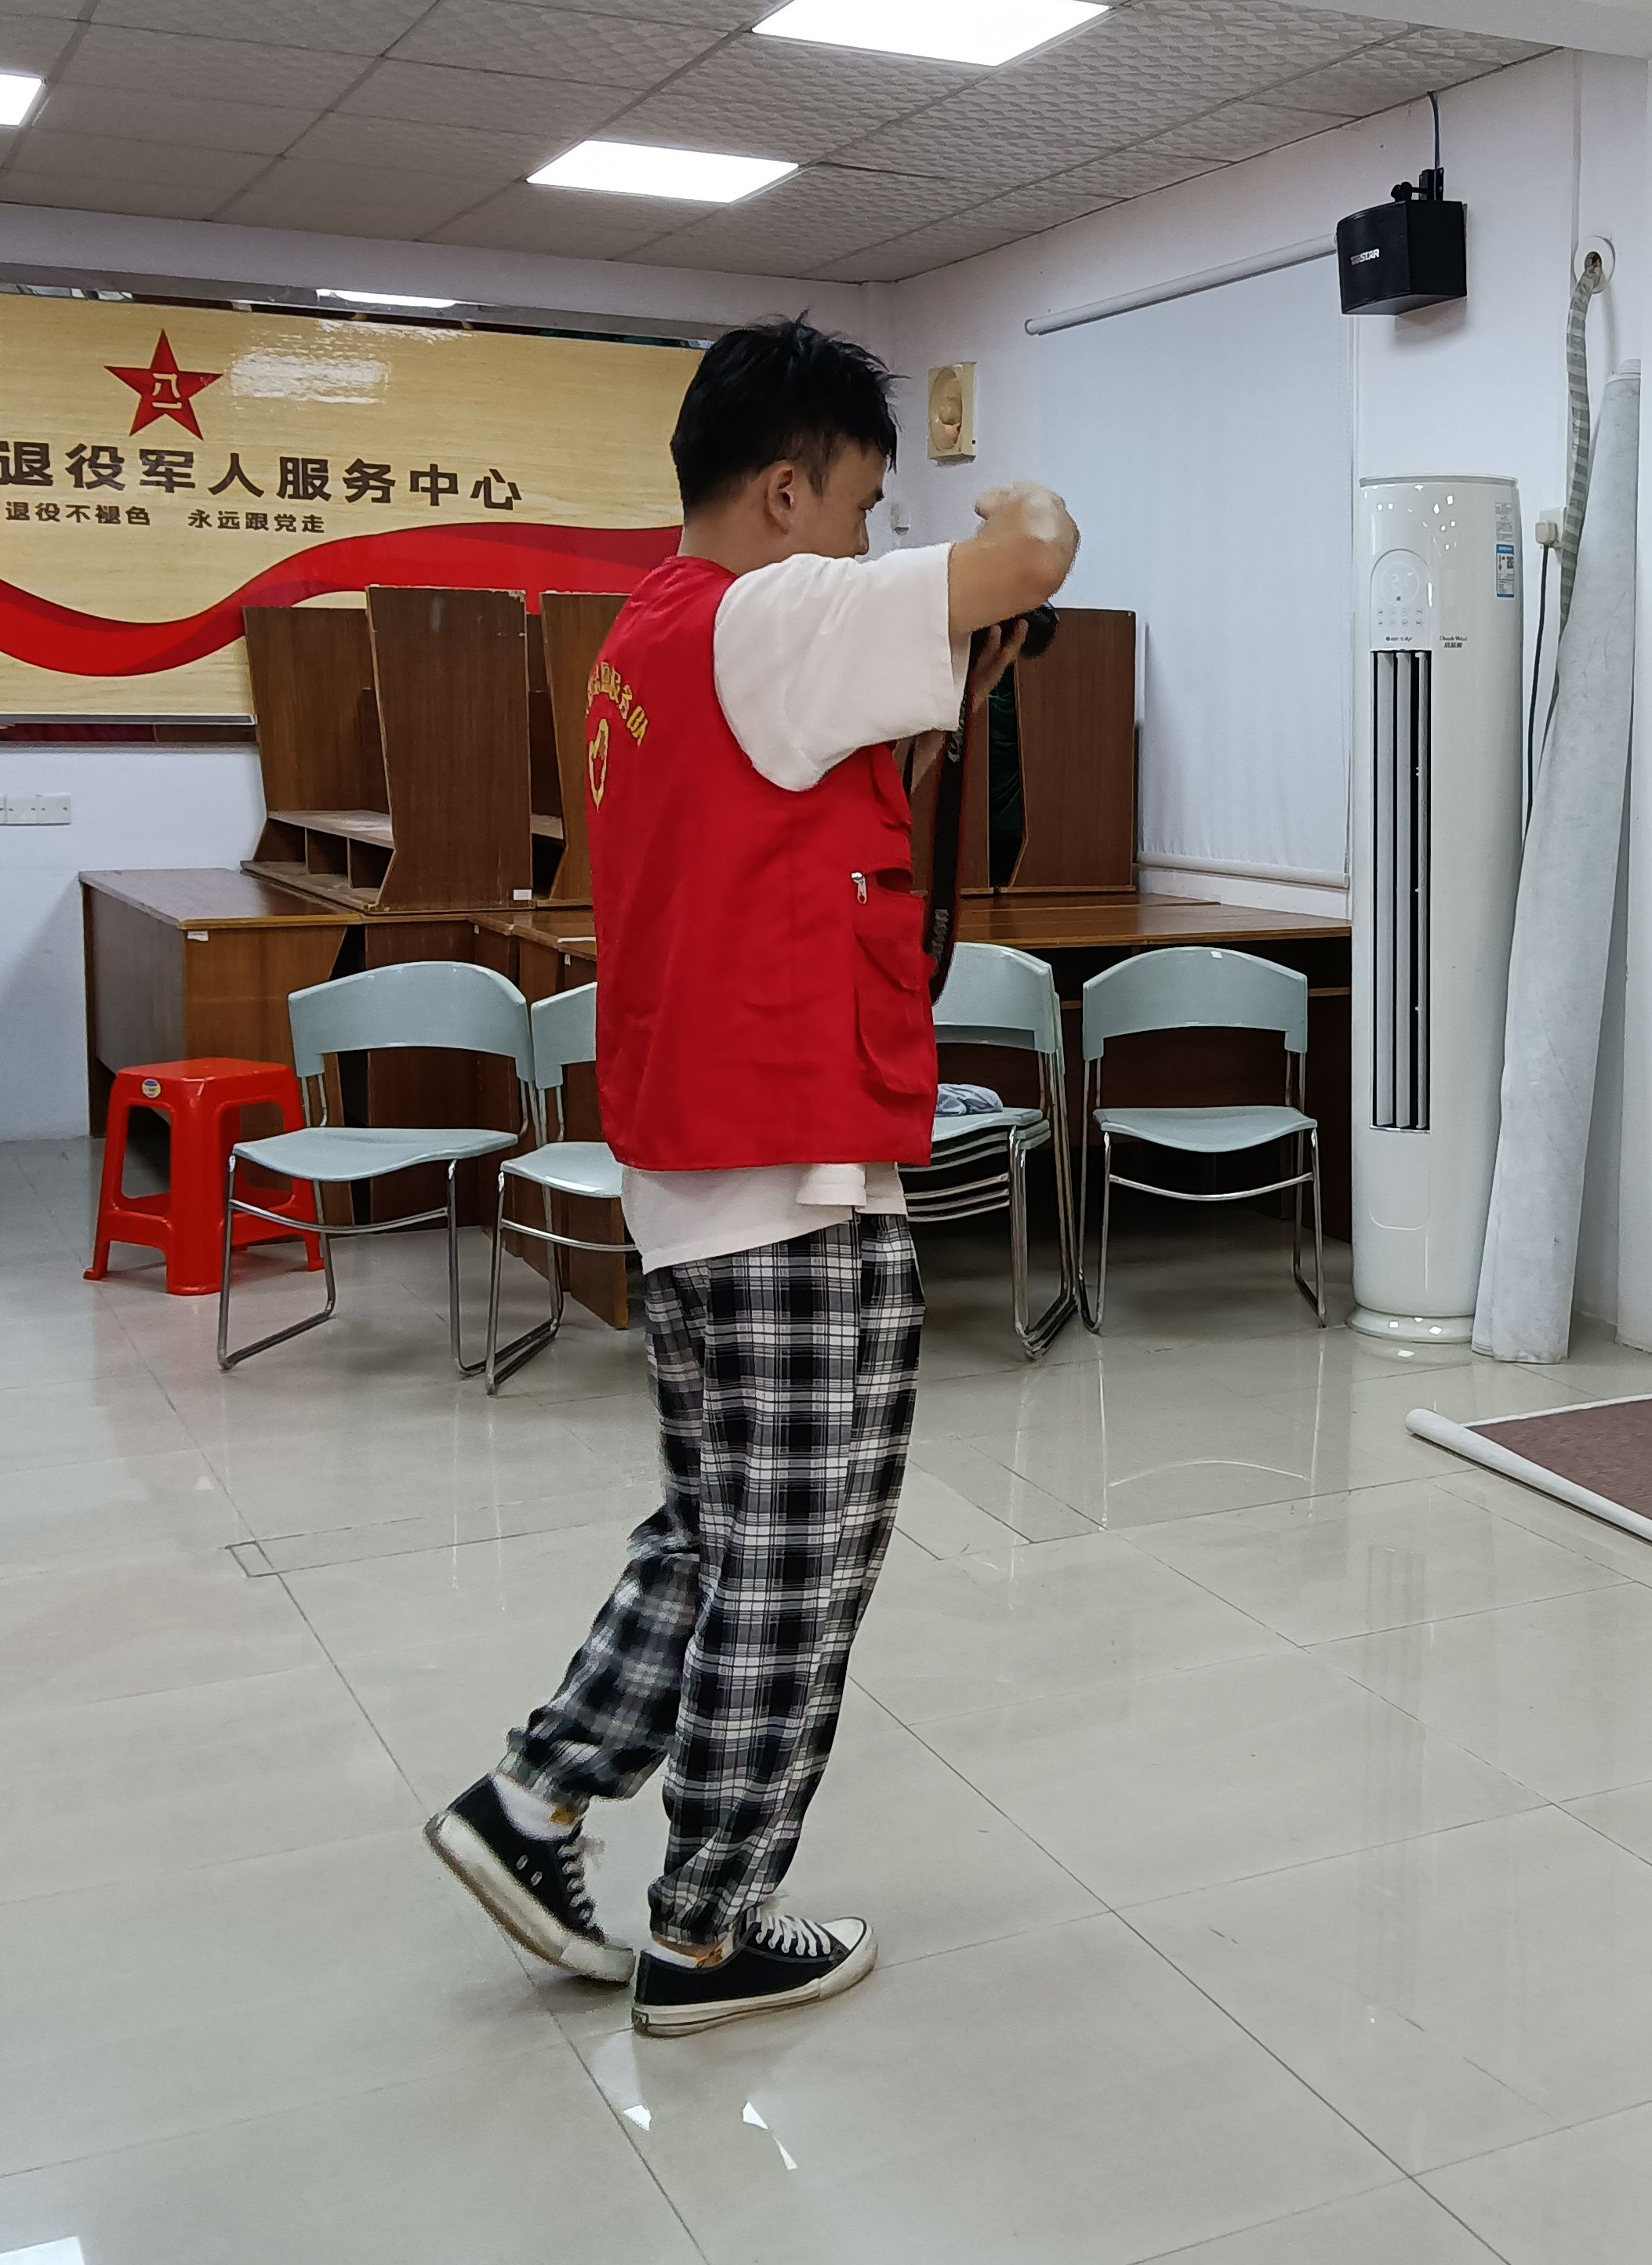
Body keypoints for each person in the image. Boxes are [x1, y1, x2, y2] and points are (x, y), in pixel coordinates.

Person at [427, 318, 1078, 2032]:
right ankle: (707, 1927)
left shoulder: (648, 639)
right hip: (785, 1176)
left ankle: (533, 1801)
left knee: (721, 1534)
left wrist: (955, 689)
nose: (868, 544)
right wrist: (1001, 506)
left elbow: (797, 834)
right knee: (796, 1568)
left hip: (702, 1162)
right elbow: (1035, 550)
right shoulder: (774, 610)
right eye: (861, 507)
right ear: (785, 492)